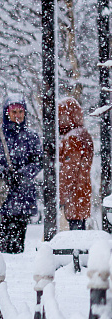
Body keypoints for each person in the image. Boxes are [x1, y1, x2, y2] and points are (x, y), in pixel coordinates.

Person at [0, 94, 42, 253]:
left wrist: (23, 173)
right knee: (4, 232)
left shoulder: (31, 136)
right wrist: (1, 172)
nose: (18, 115)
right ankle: (3, 263)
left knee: (21, 232)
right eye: (14, 112)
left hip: (23, 193)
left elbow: (39, 161)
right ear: (7, 113)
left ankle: (16, 261)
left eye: (21, 111)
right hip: (3, 194)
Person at [59, 97, 94, 231]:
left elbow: (68, 172)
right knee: (80, 231)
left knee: (73, 237)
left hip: (73, 198)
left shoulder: (72, 138)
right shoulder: (83, 134)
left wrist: (61, 197)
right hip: (82, 193)